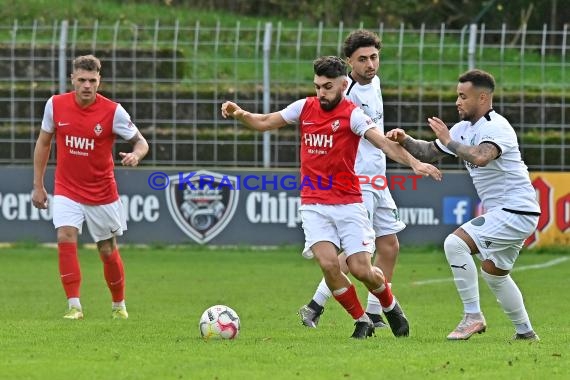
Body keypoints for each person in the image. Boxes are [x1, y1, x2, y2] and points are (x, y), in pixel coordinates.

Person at [221, 56, 442, 338]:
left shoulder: (353, 115)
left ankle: (390, 305)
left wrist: (414, 163)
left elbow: (384, 144)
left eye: (327, 87)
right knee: (328, 264)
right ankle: (361, 320)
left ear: (343, 84)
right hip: (314, 204)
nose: (321, 93)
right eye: (317, 86)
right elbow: (264, 121)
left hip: (349, 203)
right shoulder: (305, 107)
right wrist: (241, 114)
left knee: (362, 270)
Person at [386, 69, 541, 341]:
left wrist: (448, 141)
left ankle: (473, 316)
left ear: (482, 98)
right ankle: (525, 332)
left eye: (462, 96)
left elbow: (481, 157)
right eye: (457, 95)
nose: (457, 102)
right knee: (495, 274)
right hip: (508, 213)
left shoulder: (497, 127)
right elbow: (427, 152)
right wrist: (405, 140)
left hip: (516, 210)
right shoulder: (462, 129)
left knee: (454, 244)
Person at [298, 30, 408, 337]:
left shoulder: (374, 83)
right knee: (357, 256)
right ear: (349, 64)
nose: (370, 64)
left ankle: (373, 310)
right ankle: (319, 304)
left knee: (389, 246)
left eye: (374, 57)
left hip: (378, 177)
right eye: (362, 59)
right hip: (358, 180)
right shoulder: (346, 97)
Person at [32, 54, 149, 320]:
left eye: (92, 80)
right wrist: (38, 185)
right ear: (72, 78)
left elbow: (141, 142)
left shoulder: (113, 111)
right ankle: (74, 306)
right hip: (67, 188)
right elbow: (43, 143)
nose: (87, 85)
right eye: (82, 80)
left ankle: (118, 305)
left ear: (99, 81)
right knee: (65, 236)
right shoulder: (55, 105)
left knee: (107, 250)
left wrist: (136, 155)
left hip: (101, 193)